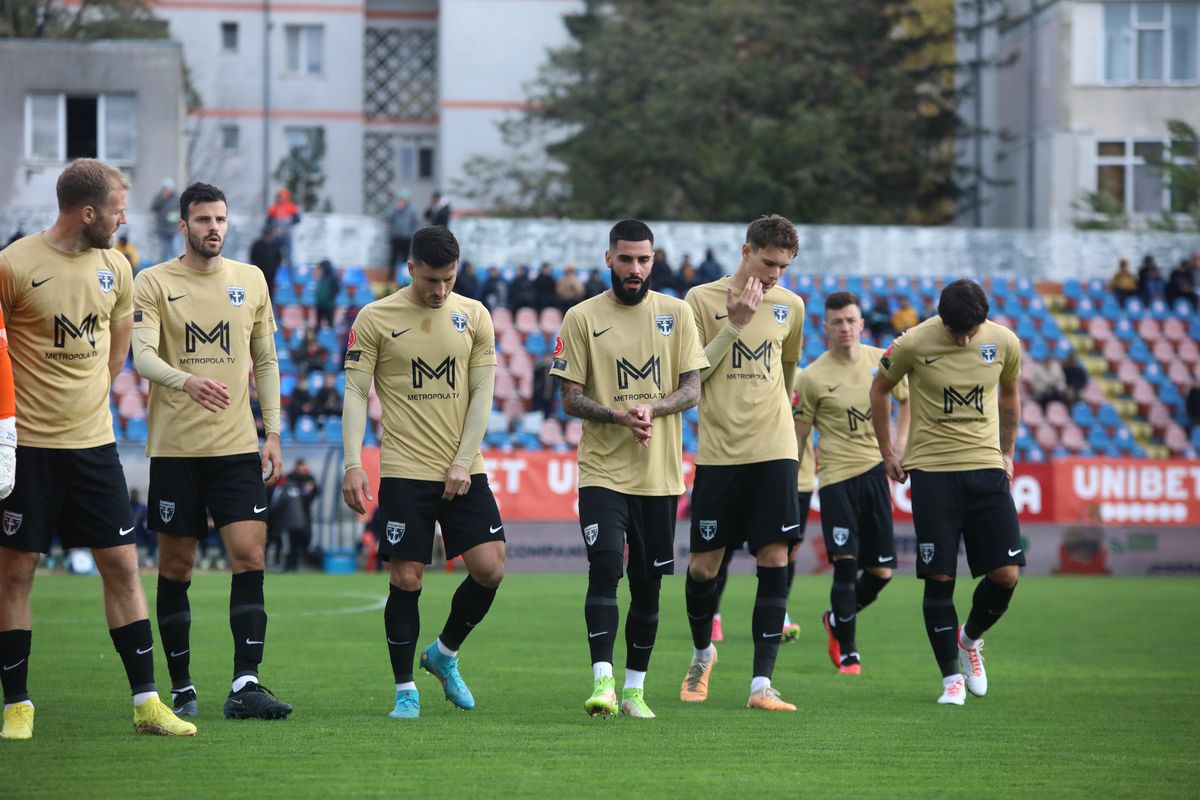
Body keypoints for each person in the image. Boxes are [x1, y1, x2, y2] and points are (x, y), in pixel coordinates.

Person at [0, 158, 195, 739]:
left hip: (95, 446)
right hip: (30, 447)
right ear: (87, 213)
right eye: (116, 209)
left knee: (122, 567)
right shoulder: (13, 265)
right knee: (14, 575)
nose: (123, 218)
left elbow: (117, 346)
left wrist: (90, 399)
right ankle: (17, 705)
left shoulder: (117, 265)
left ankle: (147, 703)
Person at [132, 181, 291, 721]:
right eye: (202, 220)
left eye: (220, 219)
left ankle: (246, 684)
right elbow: (143, 358)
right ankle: (181, 686)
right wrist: (187, 381)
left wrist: (271, 432)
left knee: (249, 556)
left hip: (236, 448)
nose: (213, 228)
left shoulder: (251, 280)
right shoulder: (153, 282)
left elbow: (265, 362)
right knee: (177, 567)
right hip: (176, 450)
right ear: (184, 226)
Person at [342, 225, 506, 720]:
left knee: (490, 568)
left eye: (449, 279)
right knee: (407, 578)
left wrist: (463, 460)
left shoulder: (474, 315)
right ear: (410, 268)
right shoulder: (374, 318)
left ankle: (444, 654)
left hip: (464, 468)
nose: (440, 291)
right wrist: (353, 462)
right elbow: (354, 393)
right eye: (431, 279)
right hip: (405, 470)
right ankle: (405, 689)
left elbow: (483, 394)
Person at [551, 218, 707, 719]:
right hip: (602, 471)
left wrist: (653, 409)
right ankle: (604, 683)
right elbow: (570, 397)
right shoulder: (580, 317)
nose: (635, 268)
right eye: (625, 259)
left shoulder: (677, 314)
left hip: (658, 476)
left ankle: (636, 689)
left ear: (653, 261)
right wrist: (618, 414)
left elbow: (692, 388)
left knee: (648, 583)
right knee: (603, 568)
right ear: (609, 259)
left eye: (643, 260)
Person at [869, 278, 1024, 705]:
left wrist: (1007, 451)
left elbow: (1010, 396)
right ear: (941, 319)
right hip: (933, 474)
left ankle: (970, 640)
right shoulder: (913, 343)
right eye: (956, 331)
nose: (964, 338)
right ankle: (950, 680)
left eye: (970, 331)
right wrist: (888, 450)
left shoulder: (1004, 342)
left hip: (987, 470)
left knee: (1006, 575)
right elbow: (879, 391)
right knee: (939, 578)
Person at [676, 216, 805, 712]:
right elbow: (691, 379)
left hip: (774, 449)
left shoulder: (791, 306)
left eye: (783, 266)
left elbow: (786, 370)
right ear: (746, 250)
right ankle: (702, 653)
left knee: (775, 559)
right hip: (719, 454)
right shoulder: (699, 301)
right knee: (705, 567)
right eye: (768, 262)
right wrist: (735, 323)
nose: (774, 275)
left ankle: (761, 685)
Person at [795, 292, 909, 675]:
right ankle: (849, 651)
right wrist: (789, 480)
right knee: (845, 563)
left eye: (851, 320)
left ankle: (836, 619)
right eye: (837, 322)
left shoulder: (884, 361)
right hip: (835, 479)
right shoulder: (812, 377)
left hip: (876, 474)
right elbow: (799, 437)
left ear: (862, 323)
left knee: (881, 574)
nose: (845, 327)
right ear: (825, 327)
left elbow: (908, 401)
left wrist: (899, 446)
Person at [285, 460, 319, 572]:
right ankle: (290, 565)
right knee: (291, 542)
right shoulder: (290, 479)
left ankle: (303, 561)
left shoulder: (310, 479)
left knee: (306, 539)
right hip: (291, 517)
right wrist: (304, 491)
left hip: (305, 516)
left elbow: (312, 497)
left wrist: (307, 492)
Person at [387, 193, 419, 283]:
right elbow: (388, 217)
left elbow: (415, 223)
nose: (402, 202)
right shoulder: (395, 209)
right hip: (395, 237)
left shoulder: (411, 211)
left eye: (404, 200)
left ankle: (403, 278)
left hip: (406, 238)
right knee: (393, 257)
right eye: (401, 200)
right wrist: (396, 209)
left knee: (405, 259)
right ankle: (390, 278)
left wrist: (411, 233)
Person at [267, 188, 300, 265]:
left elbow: (297, 219)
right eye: (278, 197)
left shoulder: (291, 207)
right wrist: (272, 229)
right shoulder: (274, 208)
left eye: (281, 197)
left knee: (289, 256)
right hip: (276, 236)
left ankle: (290, 274)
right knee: (274, 255)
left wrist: (289, 221)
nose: (279, 199)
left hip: (287, 235)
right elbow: (268, 222)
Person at [150, 178, 179, 263]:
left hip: (174, 229)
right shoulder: (159, 197)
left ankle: (177, 267)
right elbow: (153, 208)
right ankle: (165, 269)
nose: (167, 190)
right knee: (164, 253)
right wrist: (162, 199)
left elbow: (182, 210)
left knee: (174, 250)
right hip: (162, 230)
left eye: (169, 188)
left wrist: (176, 215)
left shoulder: (177, 197)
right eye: (166, 188)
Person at [249, 227, 283, 295]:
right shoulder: (257, 245)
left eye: (269, 235)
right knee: (258, 290)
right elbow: (252, 257)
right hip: (259, 272)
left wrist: (274, 268)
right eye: (265, 235)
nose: (267, 237)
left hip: (271, 273)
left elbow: (278, 258)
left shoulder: (275, 245)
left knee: (270, 291)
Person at [314, 259, 340, 329]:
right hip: (321, 305)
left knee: (329, 324)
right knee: (319, 324)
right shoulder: (324, 277)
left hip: (328, 305)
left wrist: (330, 297)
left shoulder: (333, 277)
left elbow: (337, 290)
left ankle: (329, 338)